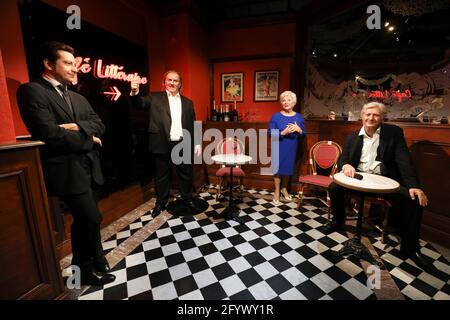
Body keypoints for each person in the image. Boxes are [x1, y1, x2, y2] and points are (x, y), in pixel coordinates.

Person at [16, 41, 116, 286]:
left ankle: (91, 260)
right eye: (68, 63)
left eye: (75, 64)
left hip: (91, 167)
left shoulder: (78, 97)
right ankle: (85, 267)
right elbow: (49, 134)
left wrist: (78, 128)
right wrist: (89, 138)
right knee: (90, 218)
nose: (74, 69)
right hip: (66, 170)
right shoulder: (32, 91)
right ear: (49, 64)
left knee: (87, 219)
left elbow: (100, 125)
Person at [324, 101, 443, 276]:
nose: (371, 118)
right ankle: (338, 221)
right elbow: (343, 160)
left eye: (375, 115)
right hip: (358, 180)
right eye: (368, 114)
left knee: (414, 199)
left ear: (382, 118)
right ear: (362, 116)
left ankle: (410, 248)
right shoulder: (352, 136)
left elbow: (404, 161)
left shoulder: (393, 133)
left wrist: (414, 186)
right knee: (334, 187)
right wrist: (347, 164)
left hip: (382, 182)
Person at [130, 70, 202, 218]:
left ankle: (187, 199)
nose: (172, 83)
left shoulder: (188, 103)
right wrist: (134, 91)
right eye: (169, 80)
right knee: (162, 175)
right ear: (164, 83)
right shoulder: (155, 97)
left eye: (175, 81)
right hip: (162, 142)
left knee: (185, 174)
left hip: (182, 143)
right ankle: (161, 203)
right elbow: (140, 103)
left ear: (180, 84)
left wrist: (197, 143)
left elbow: (194, 123)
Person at [268, 91, 306, 204]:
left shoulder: (299, 117)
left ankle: (284, 188)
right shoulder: (276, 116)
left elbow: (303, 133)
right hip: (279, 144)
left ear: (293, 102)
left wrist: (299, 130)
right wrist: (283, 133)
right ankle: (277, 190)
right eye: (283, 100)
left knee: (288, 167)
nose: (286, 102)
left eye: (288, 100)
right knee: (278, 169)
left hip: (291, 146)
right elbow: (270, 133)